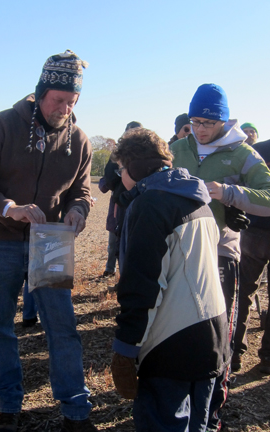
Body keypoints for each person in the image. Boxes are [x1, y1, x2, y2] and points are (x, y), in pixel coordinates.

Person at [0, 50, 97, 432]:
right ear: (40, 92)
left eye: (72, 102)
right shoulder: (3, 125)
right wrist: (9, 208)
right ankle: (8, 407)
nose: (64, 109)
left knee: (63, 325)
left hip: (51, 242)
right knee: (0, 325)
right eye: (58, 100)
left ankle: (75, 410)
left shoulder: (80, 140)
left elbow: (82, 191)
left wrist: (79, 212)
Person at [110, 127, 230, 432]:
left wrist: (126, 347)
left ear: (135, 169)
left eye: (121, 168)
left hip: (171, 345)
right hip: (212, 334)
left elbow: (143, 285)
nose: (120, 175)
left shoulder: (150, 205)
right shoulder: (196, 197)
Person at [170, 83, 270, 431]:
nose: (199, 129)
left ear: (224, 122)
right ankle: (180, 394)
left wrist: (230, 193)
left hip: (220, 251)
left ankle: (211, 410)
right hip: (179, 250)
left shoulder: (242, 153)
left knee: (216, 331)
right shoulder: (178, 148)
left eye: (207, 123)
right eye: (195, 121)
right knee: (181, 325)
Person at [233, 138, 270, 373]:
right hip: (254, 230)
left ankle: (235, 351)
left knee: (243, 291)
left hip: (255, 230)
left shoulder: (256, 151)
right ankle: (267, 357)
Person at [98, 121, 143, 279]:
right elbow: (109, 179)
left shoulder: (140, 155)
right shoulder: (117, 154)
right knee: (116, 238)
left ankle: (125, 276)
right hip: (121, 203)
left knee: (127, 240)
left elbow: (109, 180)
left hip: (132, 202)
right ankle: (112, 270)